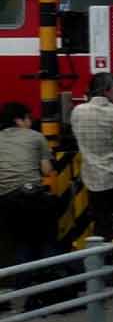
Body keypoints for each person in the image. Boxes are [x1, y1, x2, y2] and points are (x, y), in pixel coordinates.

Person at [71, 73, 113, 241]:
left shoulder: (78, 112)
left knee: (101, 226)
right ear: (107, 91)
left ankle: (102, 255)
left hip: (94, 179)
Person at [1, 102, 56, 299]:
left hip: (7, 199)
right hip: (33, 197)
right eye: (28, 118)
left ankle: (21, 288)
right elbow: (47, 170)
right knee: (46, 240)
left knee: (20, 242)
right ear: (19, 120)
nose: (30, 122)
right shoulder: (36, 137)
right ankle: (50, 285)